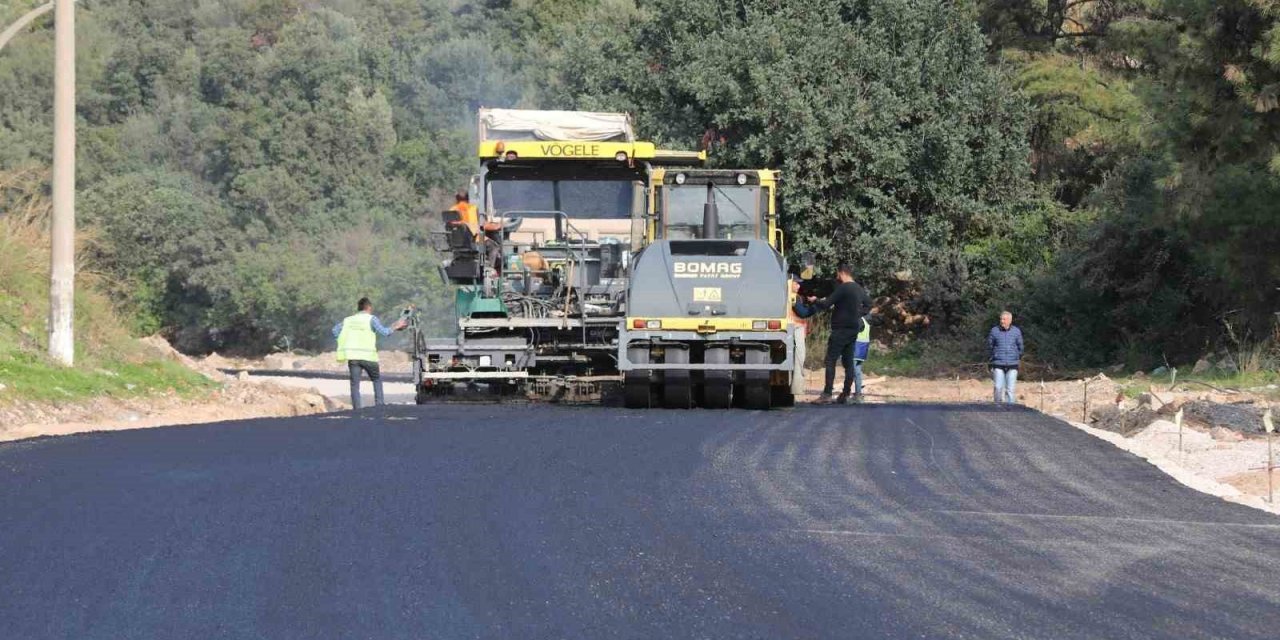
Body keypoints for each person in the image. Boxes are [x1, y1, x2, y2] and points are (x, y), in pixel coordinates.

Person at [806, 263, 873, 404]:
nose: (837, 276)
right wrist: (857, 314)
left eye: (837, 274)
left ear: (842, 273)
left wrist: (815, 300)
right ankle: (846, 394)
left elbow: (827, 304)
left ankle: (827, 394)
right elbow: (869, 304)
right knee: (848, 362)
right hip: (853, 329)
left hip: (840, 329)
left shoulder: (843, 288)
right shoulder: (858, 289)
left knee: (830, 360)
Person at [333, 297, 408, 409]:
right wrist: (396, 326)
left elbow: (335, 331)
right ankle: (379, 406)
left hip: (353, 357)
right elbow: (385, 332)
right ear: (368, 307)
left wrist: (344, 341)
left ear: (359, 308)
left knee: (355, 385)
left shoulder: (348, 320)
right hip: (368, 357)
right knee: (376, 380)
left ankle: (357, 409)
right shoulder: (371, 319)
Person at [988, 310, 1024, 404]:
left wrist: (1016, 357)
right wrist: (994, 356)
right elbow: (990, 346)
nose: (1002, 321)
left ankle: (1010, 410)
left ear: (1010, 320)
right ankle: (997, 407)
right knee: (998, 387)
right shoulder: (994, 330)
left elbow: (1021, 347)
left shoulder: (1016, 331)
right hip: (998, 364)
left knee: (1010, 389)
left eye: (1004, 319)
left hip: (1013, 365)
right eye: (1001, 319)